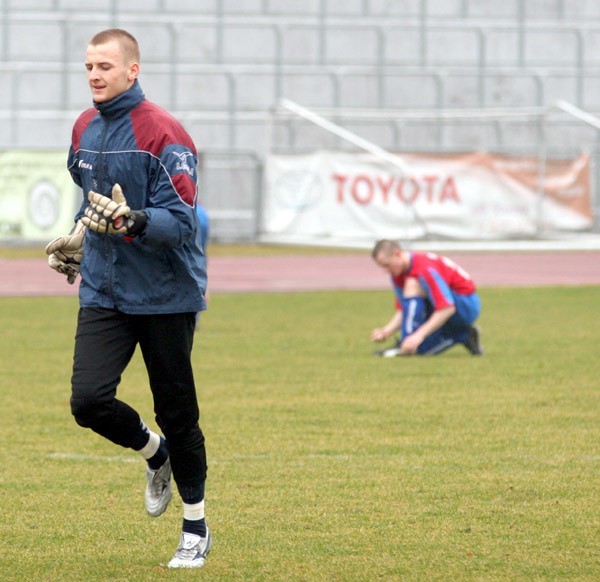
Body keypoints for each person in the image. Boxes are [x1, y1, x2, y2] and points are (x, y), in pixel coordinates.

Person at [44, 29, 211, 569]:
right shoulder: (83, 128)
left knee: (178, 413)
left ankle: (195, 527)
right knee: (87, 401)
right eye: (89, 66)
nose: (95, 75)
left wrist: (133, 219)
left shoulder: (164, 133)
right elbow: (90, 193)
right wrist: (79, 233)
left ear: (132, 71)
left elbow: (182, 223)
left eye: (106, 66)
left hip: (165, 295)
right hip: (103, 290)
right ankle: (153, 453)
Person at [370, 239, 483, 357]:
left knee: (413, 284)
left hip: (465, 305)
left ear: (397, 254)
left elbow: (447, 308)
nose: (386, 270)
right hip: (441, 306)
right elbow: (405, 309)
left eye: (387, 265)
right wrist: (386, 331)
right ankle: (464, 335)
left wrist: (418, 335)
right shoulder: (398, 273)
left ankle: (409, 341)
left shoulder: (424, 269)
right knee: (422, 350)